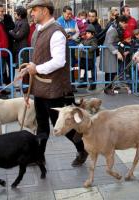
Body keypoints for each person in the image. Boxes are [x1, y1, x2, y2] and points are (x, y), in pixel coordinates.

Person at [23, 0, 88, 167]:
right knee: (42, 125)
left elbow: (59, 61)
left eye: (35, 10)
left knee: (64, 126)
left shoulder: (56, 33)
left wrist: (36, 68)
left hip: (55, 89)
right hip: (40, 87)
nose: (32, 13)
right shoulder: (38, 30)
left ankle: (83, 149)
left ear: (45, 10)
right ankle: (39, 156)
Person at [101, 15, 128, 95]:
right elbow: (109, 43)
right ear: (120, 22)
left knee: (112, 71)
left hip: (111, 51)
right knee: (109, 71)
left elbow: (115, 40)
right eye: (124, 23)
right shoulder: (113, 30)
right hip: (109, 52)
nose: (125, 24)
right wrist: (117, 52)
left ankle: (110, 86)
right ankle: (107, 88)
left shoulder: (116, 28)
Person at [57, 6, 80, 91]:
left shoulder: (74, 21)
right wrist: (70, 29)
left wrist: (72, 37)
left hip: (71, 45)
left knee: (72, 65)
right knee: (63, 66)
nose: (69, 15)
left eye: (71, 14)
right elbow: (59, 31)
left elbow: (77, 32)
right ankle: (63, 85)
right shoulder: (58, 21)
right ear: (63, 13)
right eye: (68, 14)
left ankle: (72, 84)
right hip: (62, 47)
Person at [76, 24, 98, 90]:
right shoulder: (85, 39)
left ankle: (90, 79)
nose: (87, 34)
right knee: (82, 67)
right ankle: (82, 78)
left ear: (92, 34)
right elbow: (80, 42)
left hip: (89, 57)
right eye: (87, 33)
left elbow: (95, 46)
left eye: (89, 33)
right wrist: (80, 43)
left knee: (89, 69)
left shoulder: (93, 40)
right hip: (83, 57)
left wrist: (87, 50)